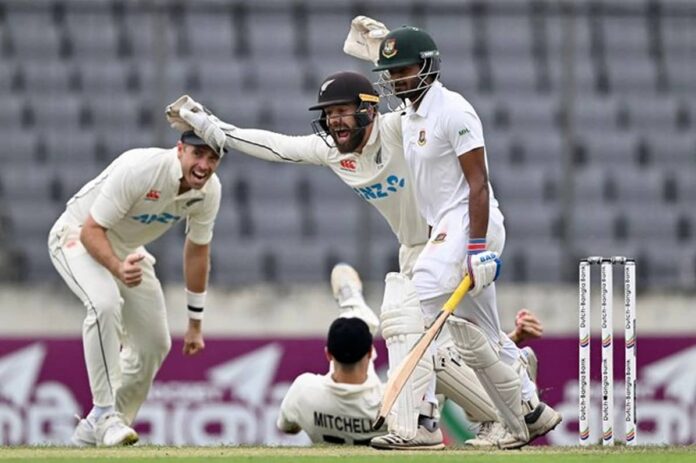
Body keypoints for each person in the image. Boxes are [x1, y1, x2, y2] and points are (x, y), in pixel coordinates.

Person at [165, 72, 542, 448]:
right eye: (329, 114)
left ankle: (421, 426)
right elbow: (273, 145)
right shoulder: (332, 152)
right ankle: (518, 398)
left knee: (400, 312)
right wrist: (204, 121)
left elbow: (425, 99)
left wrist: (387, 52)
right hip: (416, 249)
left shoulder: (398, 128)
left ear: (369, 110)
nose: (334, 121)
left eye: (343, 111)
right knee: (442, 350)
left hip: (452, 235)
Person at [359, 24, 562, 450]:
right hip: (447, 230)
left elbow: (479, 184)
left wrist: (475, 247)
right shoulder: (409, 115)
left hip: (470, 227)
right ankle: (526, 407)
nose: (396, 80)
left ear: (428, 68)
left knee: (419, 301)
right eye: (391, 73)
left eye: (404, 71)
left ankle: (420, 424)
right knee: (484, 336)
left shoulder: (455, 110)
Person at [47, 130, 223, 446]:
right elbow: (91, 230)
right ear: (180, 149)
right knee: (104, 304)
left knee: (154, 344)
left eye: (213, 158)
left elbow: (198, 251)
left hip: (127, 250)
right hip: (76, 237)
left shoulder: (209, 192)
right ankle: (104, 414)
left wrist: (195, 324)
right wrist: (116, 268)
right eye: (198, 154)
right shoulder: (141, 168)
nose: (204, 165)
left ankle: (97, 431)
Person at [277, 262, 546, 446]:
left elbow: (286, 427)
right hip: (399, 405)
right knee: (432, 359)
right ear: (372, 353)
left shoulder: (304, 392)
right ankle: (521, 396)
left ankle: (352, 301)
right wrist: (510, 341)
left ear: (328, 354)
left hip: (327, 408)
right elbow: (461, 366)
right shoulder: (396, 403)